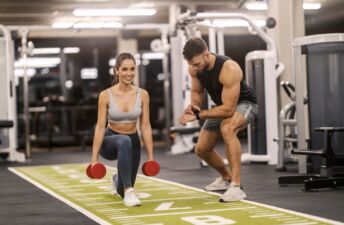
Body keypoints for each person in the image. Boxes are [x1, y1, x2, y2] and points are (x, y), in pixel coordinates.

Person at [179, 37, 258, 202]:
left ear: (207, 54)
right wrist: (195, 106)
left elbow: (229, 110)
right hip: (222, 105)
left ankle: (236, 187)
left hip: (244, 103)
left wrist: (200, 115)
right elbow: (197, 92)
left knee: (227, 129)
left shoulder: (229, 68)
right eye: (191, 64)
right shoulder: (194, 68)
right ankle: (226, 178)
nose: (194, 68)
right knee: (201, 149)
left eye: (197, 64)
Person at [91, 52, 154, 207]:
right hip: (110, 141)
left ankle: (118, 182)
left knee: (120, 191)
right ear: (116, 71)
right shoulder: (105, 95)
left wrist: (151, 158)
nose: (129, 73)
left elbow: (145, 126)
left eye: (132, 69)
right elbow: (99, 127)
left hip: (133, 141)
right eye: (125, 69)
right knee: (123, 140)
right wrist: (94, 160)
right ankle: (129, 191)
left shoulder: (143, 94)